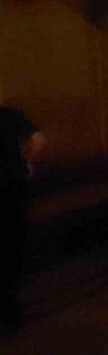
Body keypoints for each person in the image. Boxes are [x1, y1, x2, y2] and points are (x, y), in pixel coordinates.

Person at [0, 107, 46, 331]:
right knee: (12, 250)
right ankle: (9, 310)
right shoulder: (9, 114)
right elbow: (39, 140)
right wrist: (27, 163)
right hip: (11, 188)